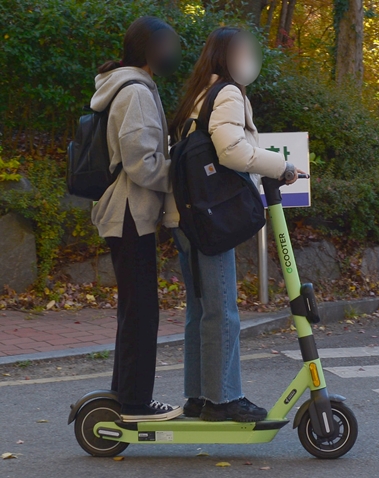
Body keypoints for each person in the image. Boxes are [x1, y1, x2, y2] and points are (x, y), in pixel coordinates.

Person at [169, 27, 304, 422]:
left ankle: (199, 396)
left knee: (201, 309)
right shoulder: (226, 92)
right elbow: (231, 151)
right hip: (209, 218)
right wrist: (282, 166)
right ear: (229, 58)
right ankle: (224, 399)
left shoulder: (196, 94)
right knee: (223, 309)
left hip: (184, 214)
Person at [91, 16, 183, 422]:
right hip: (131, 213)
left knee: (135, 308)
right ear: (149, 50)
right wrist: (180, 177)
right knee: (141, 310)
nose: (173, 54)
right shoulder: (136, 92)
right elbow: (141, 162)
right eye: (167, 46)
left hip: (128, 212)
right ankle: (134, 403)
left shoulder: (131, 86)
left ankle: (123, 395)